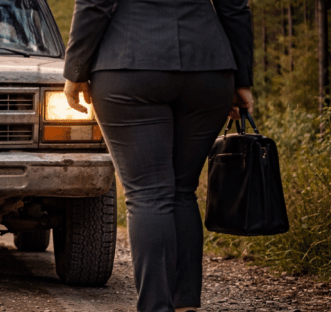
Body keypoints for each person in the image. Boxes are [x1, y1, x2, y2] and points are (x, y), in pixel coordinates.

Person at [62, 0, 254, 311]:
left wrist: (75, 70)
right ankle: (184, 304)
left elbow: (95, 3)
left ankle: (156, 307)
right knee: (182, 191)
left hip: (129, 62)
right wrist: (243, 79)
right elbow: (235, 7)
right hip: (208, 65)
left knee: (150, 194)